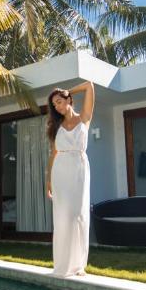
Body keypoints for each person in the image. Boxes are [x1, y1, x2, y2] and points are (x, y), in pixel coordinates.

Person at [46, 81, 94, 277]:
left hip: (79, 168)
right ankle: (63, 265)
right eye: (54, 105)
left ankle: (78, 265)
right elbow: (53, 153)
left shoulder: (84, 118)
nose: (57, 106)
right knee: (62, 218)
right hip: (60, 172)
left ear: (69, 100)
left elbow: (89, 86)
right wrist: (48, 180)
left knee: (78, 215)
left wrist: (68, 90)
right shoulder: (56, 126)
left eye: (59, 101)